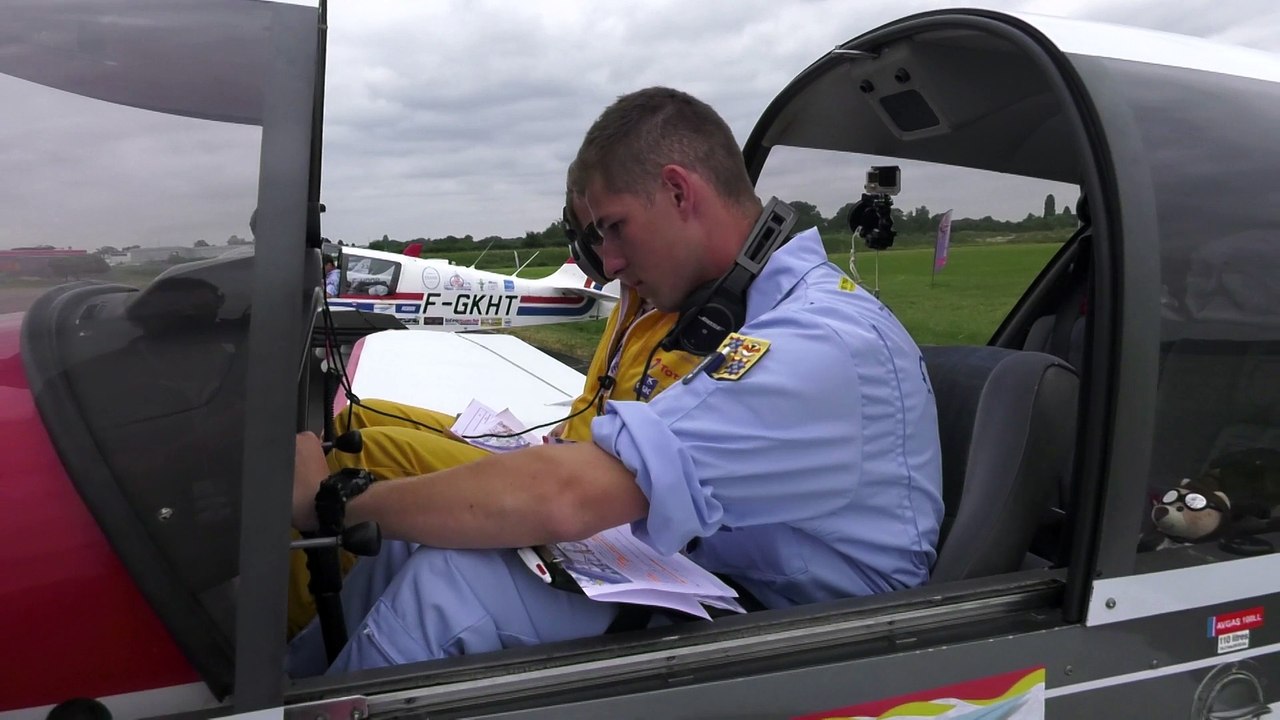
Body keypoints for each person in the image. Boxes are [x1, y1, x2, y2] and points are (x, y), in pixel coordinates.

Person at [287, 86, 943, 675]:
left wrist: (341, 502)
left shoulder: (819, 342)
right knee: (414, 545)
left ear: (681, 192)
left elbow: (571, 494)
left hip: (819, 642)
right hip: (712, 580)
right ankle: (291, 693)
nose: (609, 262)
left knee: (450, 585)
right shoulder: (753, 315)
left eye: (615, 227)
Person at [284, 233, 698, 637]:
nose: (606, 258)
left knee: (363, 455)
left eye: (612, 227)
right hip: (556, 452)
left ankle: (290, 636)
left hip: (591, 493)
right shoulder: (635, 301)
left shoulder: (693, 309)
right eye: (588, 232)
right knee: (359, 420)